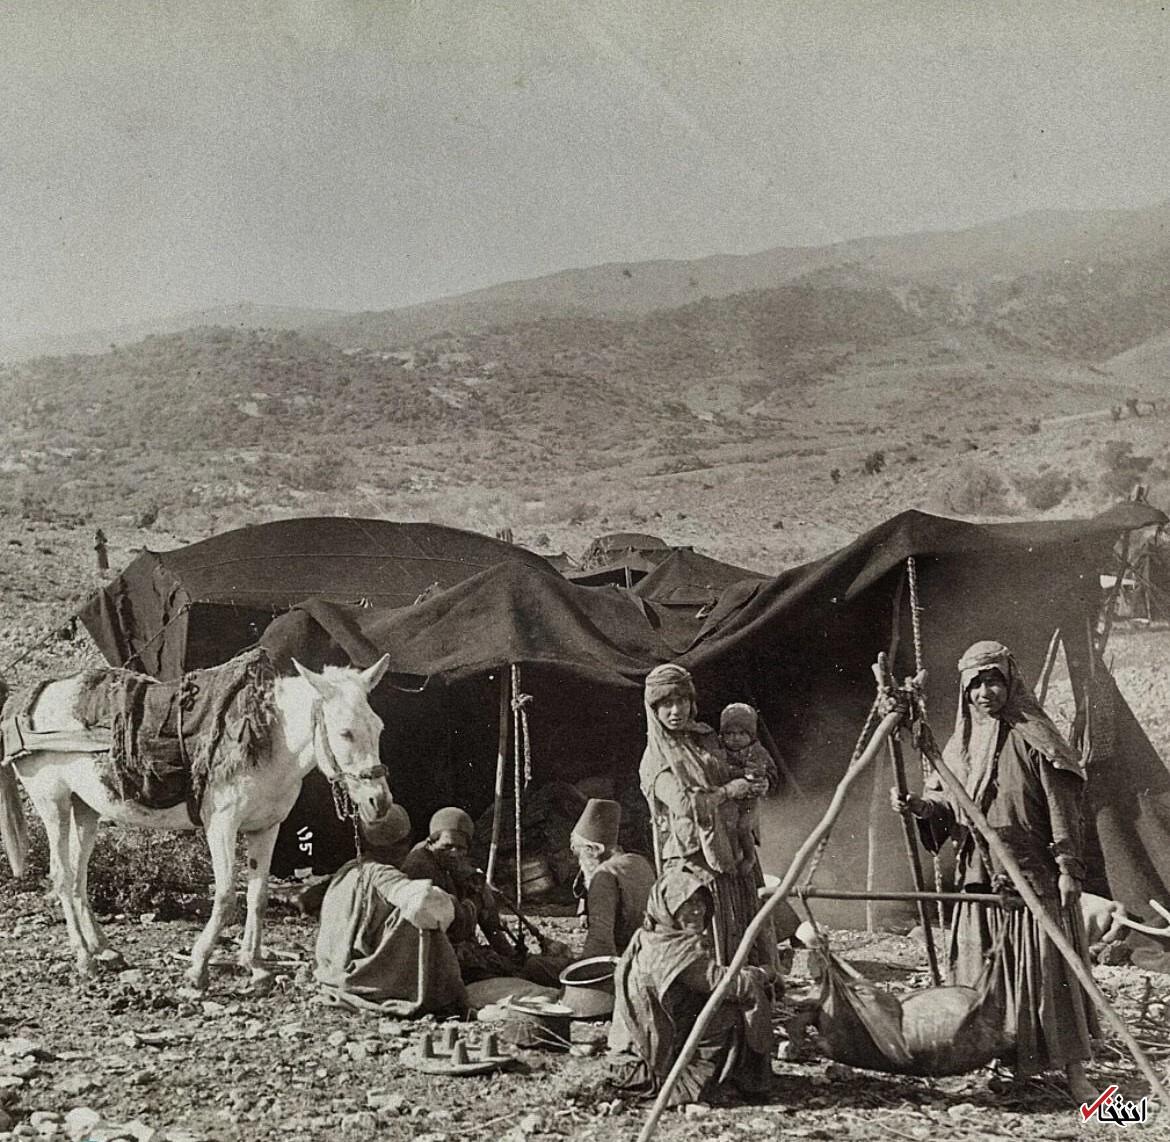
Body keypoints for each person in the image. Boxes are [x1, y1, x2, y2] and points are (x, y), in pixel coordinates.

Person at [891, 639, 1097, 1103]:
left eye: (994, 681)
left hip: (1032, 875)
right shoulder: (962, 742)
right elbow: (949, 802)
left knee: (1047, 972)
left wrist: (1068, 866)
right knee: (985, 971)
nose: (985, 692)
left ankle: (1075, 1071)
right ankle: (1004, 1060)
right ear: (964, 690)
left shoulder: (1036, 738)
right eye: (975, 684)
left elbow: (1063, 808)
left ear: (1011, 681)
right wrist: (921, 806)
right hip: (980, 876)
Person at [639, 663, 777, 969]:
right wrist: (729, 791)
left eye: (682, 701)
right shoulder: (656, 759)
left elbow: (731, 769)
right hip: (693, 860)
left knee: (744, 922)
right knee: (707, 935)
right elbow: (686, 805)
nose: (676, 710)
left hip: (730, 846)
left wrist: (758, 782)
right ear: (654, 709)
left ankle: (750, 981)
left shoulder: (703, 739)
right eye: (666, 704)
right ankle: (718, 987)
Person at [608, 865, 773, 1107]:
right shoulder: (671, 950)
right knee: (733, 1010)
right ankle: (693, 1084)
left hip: (631, 1059)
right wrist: (763, 974)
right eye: (687, 904)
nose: (698, 910)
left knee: (708, 1001)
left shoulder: (650, 936)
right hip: (640, 1069)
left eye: (701, 902)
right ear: (668, 908)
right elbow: (728, 984)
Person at [314, 804, 467, 1014]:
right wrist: (464, 910)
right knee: (417, 916)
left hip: (330, 966)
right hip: (357, 974)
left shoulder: (347, 870)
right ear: (405, 842)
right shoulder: (382, 874)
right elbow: (424, 901)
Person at [402, 806, 570, 985]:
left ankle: (515, 960)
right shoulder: (420, 867)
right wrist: (475, 903)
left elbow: (468, 878)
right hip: (437, 955)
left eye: (460, 848)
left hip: (453, 947)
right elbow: (451, 924)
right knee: (523, 972)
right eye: (447, 847)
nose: (454, 854)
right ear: (431, 843)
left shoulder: (443, 858)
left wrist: (479, 887)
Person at [570, 798, 655, 960]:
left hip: (626, 961)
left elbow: (600, 948)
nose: (579, 861)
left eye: (578, 852)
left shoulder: (604, 876)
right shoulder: (639, 862)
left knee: (537, 966)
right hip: (648, 953)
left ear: (592, 850)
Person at [718, 703, 778, 865]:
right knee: (728, 830)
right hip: (727, 801)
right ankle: (732, 862)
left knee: (744, 828)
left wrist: (766, 781)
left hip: (749, 802)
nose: (735, 738)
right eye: (730, 733)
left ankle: (749, 857)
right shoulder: (718, 752)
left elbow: (772, 772)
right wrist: (739, 774)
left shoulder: (758, 752)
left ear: (751, 735)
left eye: (742, 733)